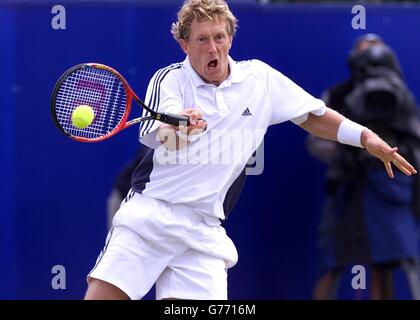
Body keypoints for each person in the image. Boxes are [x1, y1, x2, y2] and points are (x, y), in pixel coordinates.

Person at [84, 1, 416, 300]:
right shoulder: (169, 81)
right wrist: (181, 129)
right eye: (202, 39)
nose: (213, 47)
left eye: (220, 37)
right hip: (151, 217)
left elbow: (313, 117)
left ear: (231, 38)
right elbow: (163, 137)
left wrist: (366, 137)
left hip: (203, 232)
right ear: (184, 44)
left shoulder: (259, 80)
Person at [308, 33, 420, 300]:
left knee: (384, 265)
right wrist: (350, 152)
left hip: (391, 193)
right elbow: (315, 142)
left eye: (376, 50)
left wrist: (392, 156)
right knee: (333, 265)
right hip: (347, 192)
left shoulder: (400, 94)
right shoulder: (337, 95)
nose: (371, 57)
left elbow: (414, 140)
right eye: (364, 51)